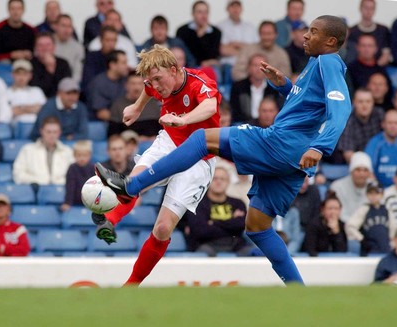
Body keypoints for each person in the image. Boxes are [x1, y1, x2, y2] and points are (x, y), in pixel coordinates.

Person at [96, 15, 351, 285]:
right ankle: (299, 291)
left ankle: (131, 187)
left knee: (201, 139)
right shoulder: (316, 63)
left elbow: (341, 108)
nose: (305, 35)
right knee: (258, 228)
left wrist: (321, 147)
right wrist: (285, 86)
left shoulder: (329, 62)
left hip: (283, 144)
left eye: (313, 32)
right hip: (292, 161)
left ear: (331, 41)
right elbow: (309, 105)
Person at [93, 44, 221, 286]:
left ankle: (132, 284)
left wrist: (181, 119)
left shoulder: (197, 81)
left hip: (201, 156)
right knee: (134, 181)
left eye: (159, 79)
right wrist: (137, 107)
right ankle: (109, 220)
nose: (156, 86)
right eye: (151, 80)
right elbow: (148, 89)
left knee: (162, 229)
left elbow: (210, 107)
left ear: (174, 69)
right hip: (171, 140)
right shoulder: (155, 81)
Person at [184, 166, 252, 257]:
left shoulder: (238, 203)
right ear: (208, 181)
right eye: (215, 178)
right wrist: (231, 221)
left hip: (235, 244)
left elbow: (241, 225)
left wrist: (213, 223)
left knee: (254, 252)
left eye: (222, 179)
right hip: (207, 245)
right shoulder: (197, 205)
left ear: (228, 182)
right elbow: (200, 231)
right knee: (203, 255)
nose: (218, 182)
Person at [13, 116, 74, 185]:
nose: (52, 135)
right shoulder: (27, 150)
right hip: (35, 189)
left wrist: (58, 182)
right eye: (48, 132)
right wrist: (40, 181)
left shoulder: (67, 151)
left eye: (55, 132)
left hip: (63, 190)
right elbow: (18, 175)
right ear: (41, 131)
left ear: (59, 133)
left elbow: (74, 175)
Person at [346, 180, 397, 256]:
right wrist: (361, 239)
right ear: (367, 194)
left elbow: (394, 227)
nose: (373, 196)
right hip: (369, 249)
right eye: (371, 193)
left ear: (382, 194)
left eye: (377, 193)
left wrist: (391, 242)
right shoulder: (364, 209)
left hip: (385, 247)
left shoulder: (387, 210)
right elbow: (350, 226)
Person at [229, 53, 283, 124]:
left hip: (267, 126)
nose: (258, 69)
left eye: (262, 66)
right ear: (248, 68)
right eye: (255, 65)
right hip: (244, 126)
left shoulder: (273, 89)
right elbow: (234, 111)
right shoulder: (238, 87)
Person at [108, 72, 161, 138]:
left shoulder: (154, 104)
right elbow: (113, 134)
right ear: (126, 85)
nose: (136, 87)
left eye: (139, 83)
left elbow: (161, 130)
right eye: (133, 84)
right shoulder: (118, 105)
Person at [338, 88, 384, 163]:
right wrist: (364, 166)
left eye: (368, 101)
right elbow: (348, 154)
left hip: (380, 162)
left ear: (373, 103)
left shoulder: (380, 115)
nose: (364, 105)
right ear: (354, 103)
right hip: (357, 166)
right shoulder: (347, 120)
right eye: (360, 101)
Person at [176, 1, 221, 69]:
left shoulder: (216, 32)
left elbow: (213, 55)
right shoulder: (182, 31)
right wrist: (200, 35)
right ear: (193, 14)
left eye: (206, 12)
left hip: (209, 67)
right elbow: (185, 54)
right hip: (188, 67)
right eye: (200, 12)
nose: (203, 16)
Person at [329, 151, 372, 222]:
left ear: (370, 173)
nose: (361, 174)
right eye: (358, 170)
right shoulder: (337, 187)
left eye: (365, 170)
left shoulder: (374, 187)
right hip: (343, 226)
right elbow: (337, 213)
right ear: (351, 171)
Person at [86, 50, 128, 121]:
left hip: (124, 119)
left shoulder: (126, 80)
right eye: (123, 63)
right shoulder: (99, 83)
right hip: (104, 123)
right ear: (113, 65)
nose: (127, 66)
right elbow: (102, 113)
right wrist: (125, 122)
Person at [217, 0, 259, 70]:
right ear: (227, 9)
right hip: (229, 65)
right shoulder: (220, 27)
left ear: (242, 9)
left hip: (249, 66)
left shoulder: (250, 27)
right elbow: (222, 50)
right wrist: (245, 48)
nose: (235, 9)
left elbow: (256, 49)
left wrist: (235, 44)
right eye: (232, 6)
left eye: (238, 6)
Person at [302, 192, 347, 256]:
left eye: (336, 209)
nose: (333, 212)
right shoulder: (313, 225)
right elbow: (310, 249)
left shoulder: (342, 225)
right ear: (323, 210)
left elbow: (342, 252)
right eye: (330, 208)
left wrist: (336, 233)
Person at [348, 0, 391, 67]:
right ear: (360, 9)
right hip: (356, 70)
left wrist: (374, 68)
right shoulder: (352, 31)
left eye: (371, 8)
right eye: (366, 8)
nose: (368, 11)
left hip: (378, 68)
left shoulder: (383, 30)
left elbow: (386, 54)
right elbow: (350, 56)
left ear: (375, 10)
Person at [30, 32, 72, 98]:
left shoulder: (63, 63)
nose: (44, 48)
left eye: (48, 45)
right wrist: (49, 71)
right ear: (35, 48)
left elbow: (66, 86)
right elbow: (37, 90)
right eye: (40, 45)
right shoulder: (30, 65)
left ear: (54, 47)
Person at [365, 110, 397, 188]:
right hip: (380, 190)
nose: (393, 126)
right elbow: (368, 169)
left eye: (396, 123)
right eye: (390, 123)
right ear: (383, 124)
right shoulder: (375, 143)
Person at [6, 59, 46, 124]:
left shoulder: (37, 91)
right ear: (12, 75)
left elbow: (42, 110)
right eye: (18, 74)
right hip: (15, 126)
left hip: (36, 126)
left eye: (25, 74)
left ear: (30, 76)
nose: (21, 77)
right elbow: (10, 112)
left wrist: (20, 108)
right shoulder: (6, 92)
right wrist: (32, 108)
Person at [61, 140, 95, 212]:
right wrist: (68, 203)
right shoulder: (72, 168)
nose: (82, 158)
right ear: (74, 155)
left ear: (90, 155)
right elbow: (70, 187)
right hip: (74, 202)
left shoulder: (93, 168)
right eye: (79, 155)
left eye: (85, 155)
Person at [53, 14, 85, 83]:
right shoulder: (47, 43)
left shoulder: (78, 47)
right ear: (56, 27)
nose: (66, 30)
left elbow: (78, 73)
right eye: (63, 26)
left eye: (69, 26)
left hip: (69, 85)